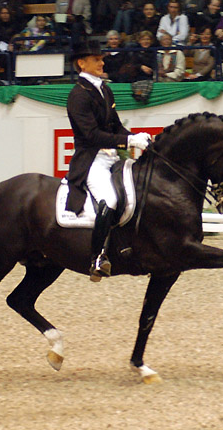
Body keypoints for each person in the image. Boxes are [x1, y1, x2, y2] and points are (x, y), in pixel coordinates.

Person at [64, 40, 151, 281]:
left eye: (101, 58)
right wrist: (128, 142)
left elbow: (114, 125)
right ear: (81, 63)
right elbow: (91, 135)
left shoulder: (104, 88)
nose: (102, 62)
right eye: (96, 59)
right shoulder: (78, 95)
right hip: (91, 159)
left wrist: (134, 136)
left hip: (111, 157)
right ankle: (98, 257)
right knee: (110, 199)